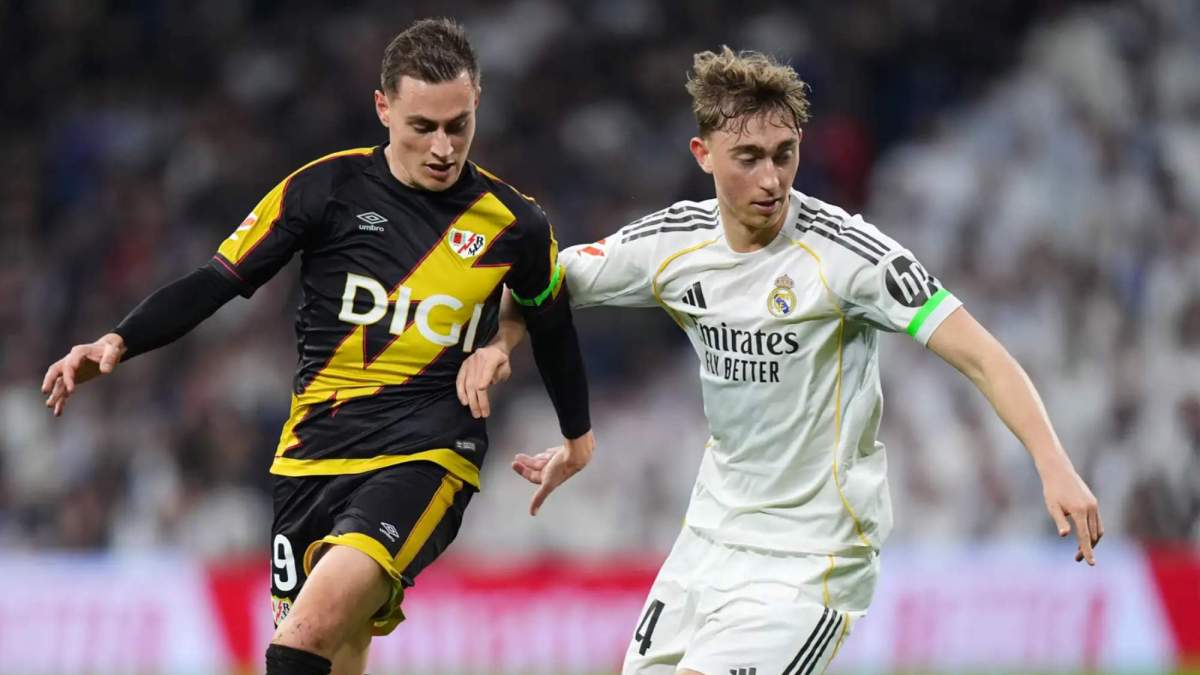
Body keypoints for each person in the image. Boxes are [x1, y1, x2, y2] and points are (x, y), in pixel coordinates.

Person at [456, 47, 1102, 675]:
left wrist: (1054, 465)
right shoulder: (674, 243)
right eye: (749, 158)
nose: (772, 179)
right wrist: (498, 345)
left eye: (784, 154)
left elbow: (983, 354)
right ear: (703, 154)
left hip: (812, 554)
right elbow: (540, 281)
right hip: (709, 541)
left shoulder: (849, 255)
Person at [40, 18, 595, 675]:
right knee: (339, 651)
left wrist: (576, 438)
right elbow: (218, 280)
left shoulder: (515, 223)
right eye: (423, 126)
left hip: (426, 454)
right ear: (383, 107)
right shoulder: (325, 189)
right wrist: (119, 338)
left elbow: (550, 317)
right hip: (309, 461)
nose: (444, 147)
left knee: (299, 641)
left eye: (459, 125)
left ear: (477, 106)